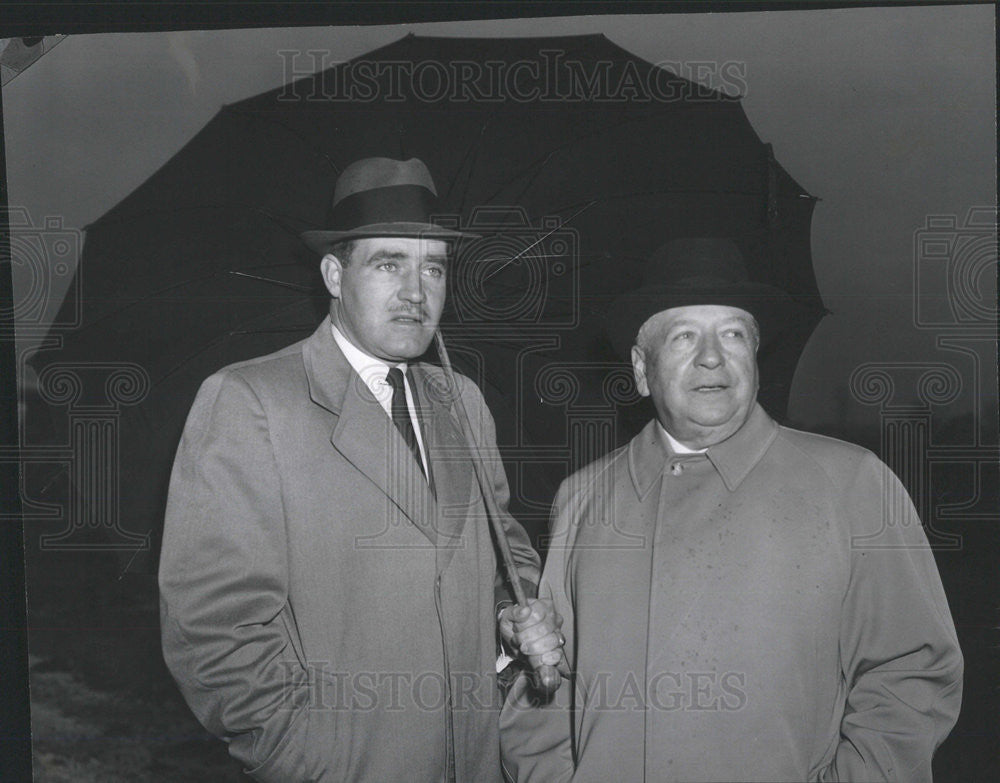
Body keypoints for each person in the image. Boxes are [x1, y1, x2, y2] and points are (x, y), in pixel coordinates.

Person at [159, 157, 563, 783]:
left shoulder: (464, 402)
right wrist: (304, 755)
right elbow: (214, 627)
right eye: (387, 263)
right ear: (333, 274)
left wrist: (513, 614)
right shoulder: (251, 400)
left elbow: (504, 553)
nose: (415, 292)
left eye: (433, 268)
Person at [500, 238, 963, 782]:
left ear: (755, 359)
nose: (713, 356)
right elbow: (548, 681)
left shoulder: (851, 482)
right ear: (641, 370)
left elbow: (911, 673)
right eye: (683, 336)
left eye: (733, 334)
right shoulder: (581, 498)